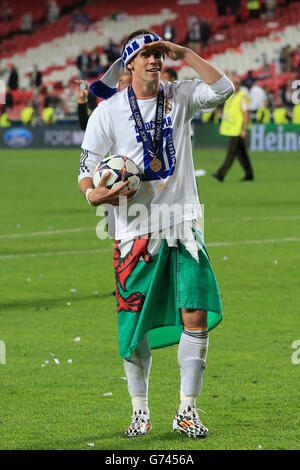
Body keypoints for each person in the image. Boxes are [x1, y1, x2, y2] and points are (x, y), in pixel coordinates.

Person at [78, 29, 234, 438]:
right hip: (133, 230)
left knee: (195, 314)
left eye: (160, 54)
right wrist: (96, 194)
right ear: (129, 63)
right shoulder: (107, 112)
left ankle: (187, 410)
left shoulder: (179, 95)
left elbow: (224, 89)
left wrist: (185, 52)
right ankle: (140, 410)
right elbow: (86, 168)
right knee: (136, 327)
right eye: (147, 54)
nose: (155, 60)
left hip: (183, 224)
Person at [213, 75, 254, 182]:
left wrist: (244, 129)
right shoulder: (231, 97)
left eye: (233, 83)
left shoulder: (243, 96)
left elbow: (246, 114)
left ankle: (221, 174)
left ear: (237, 85)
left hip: (238, 129)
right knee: (241, 154)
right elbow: (227, 113)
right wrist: (223, 126)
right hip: (232, 129)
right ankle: (249, 174)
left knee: (231, 153)